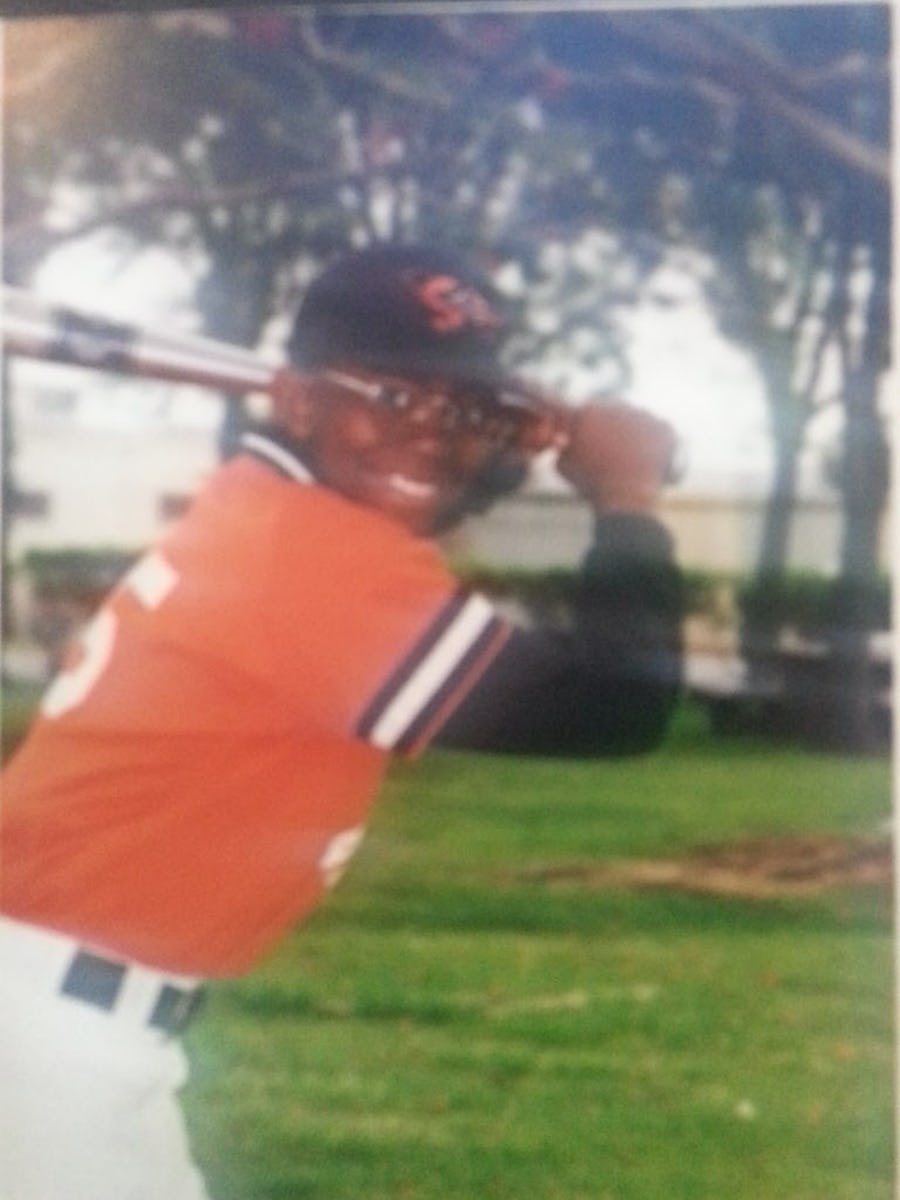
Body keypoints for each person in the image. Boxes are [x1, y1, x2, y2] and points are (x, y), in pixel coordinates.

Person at [0, 244, 682, 1199]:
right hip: (44, 1045)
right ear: (296, 401)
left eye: (462, 411)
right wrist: (627, 498)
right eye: (392, 396)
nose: (428, 436)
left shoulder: (265, 510)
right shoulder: (305, 554)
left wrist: (516, 444)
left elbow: (415, 482)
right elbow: (617, 706)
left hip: (67, 1027)